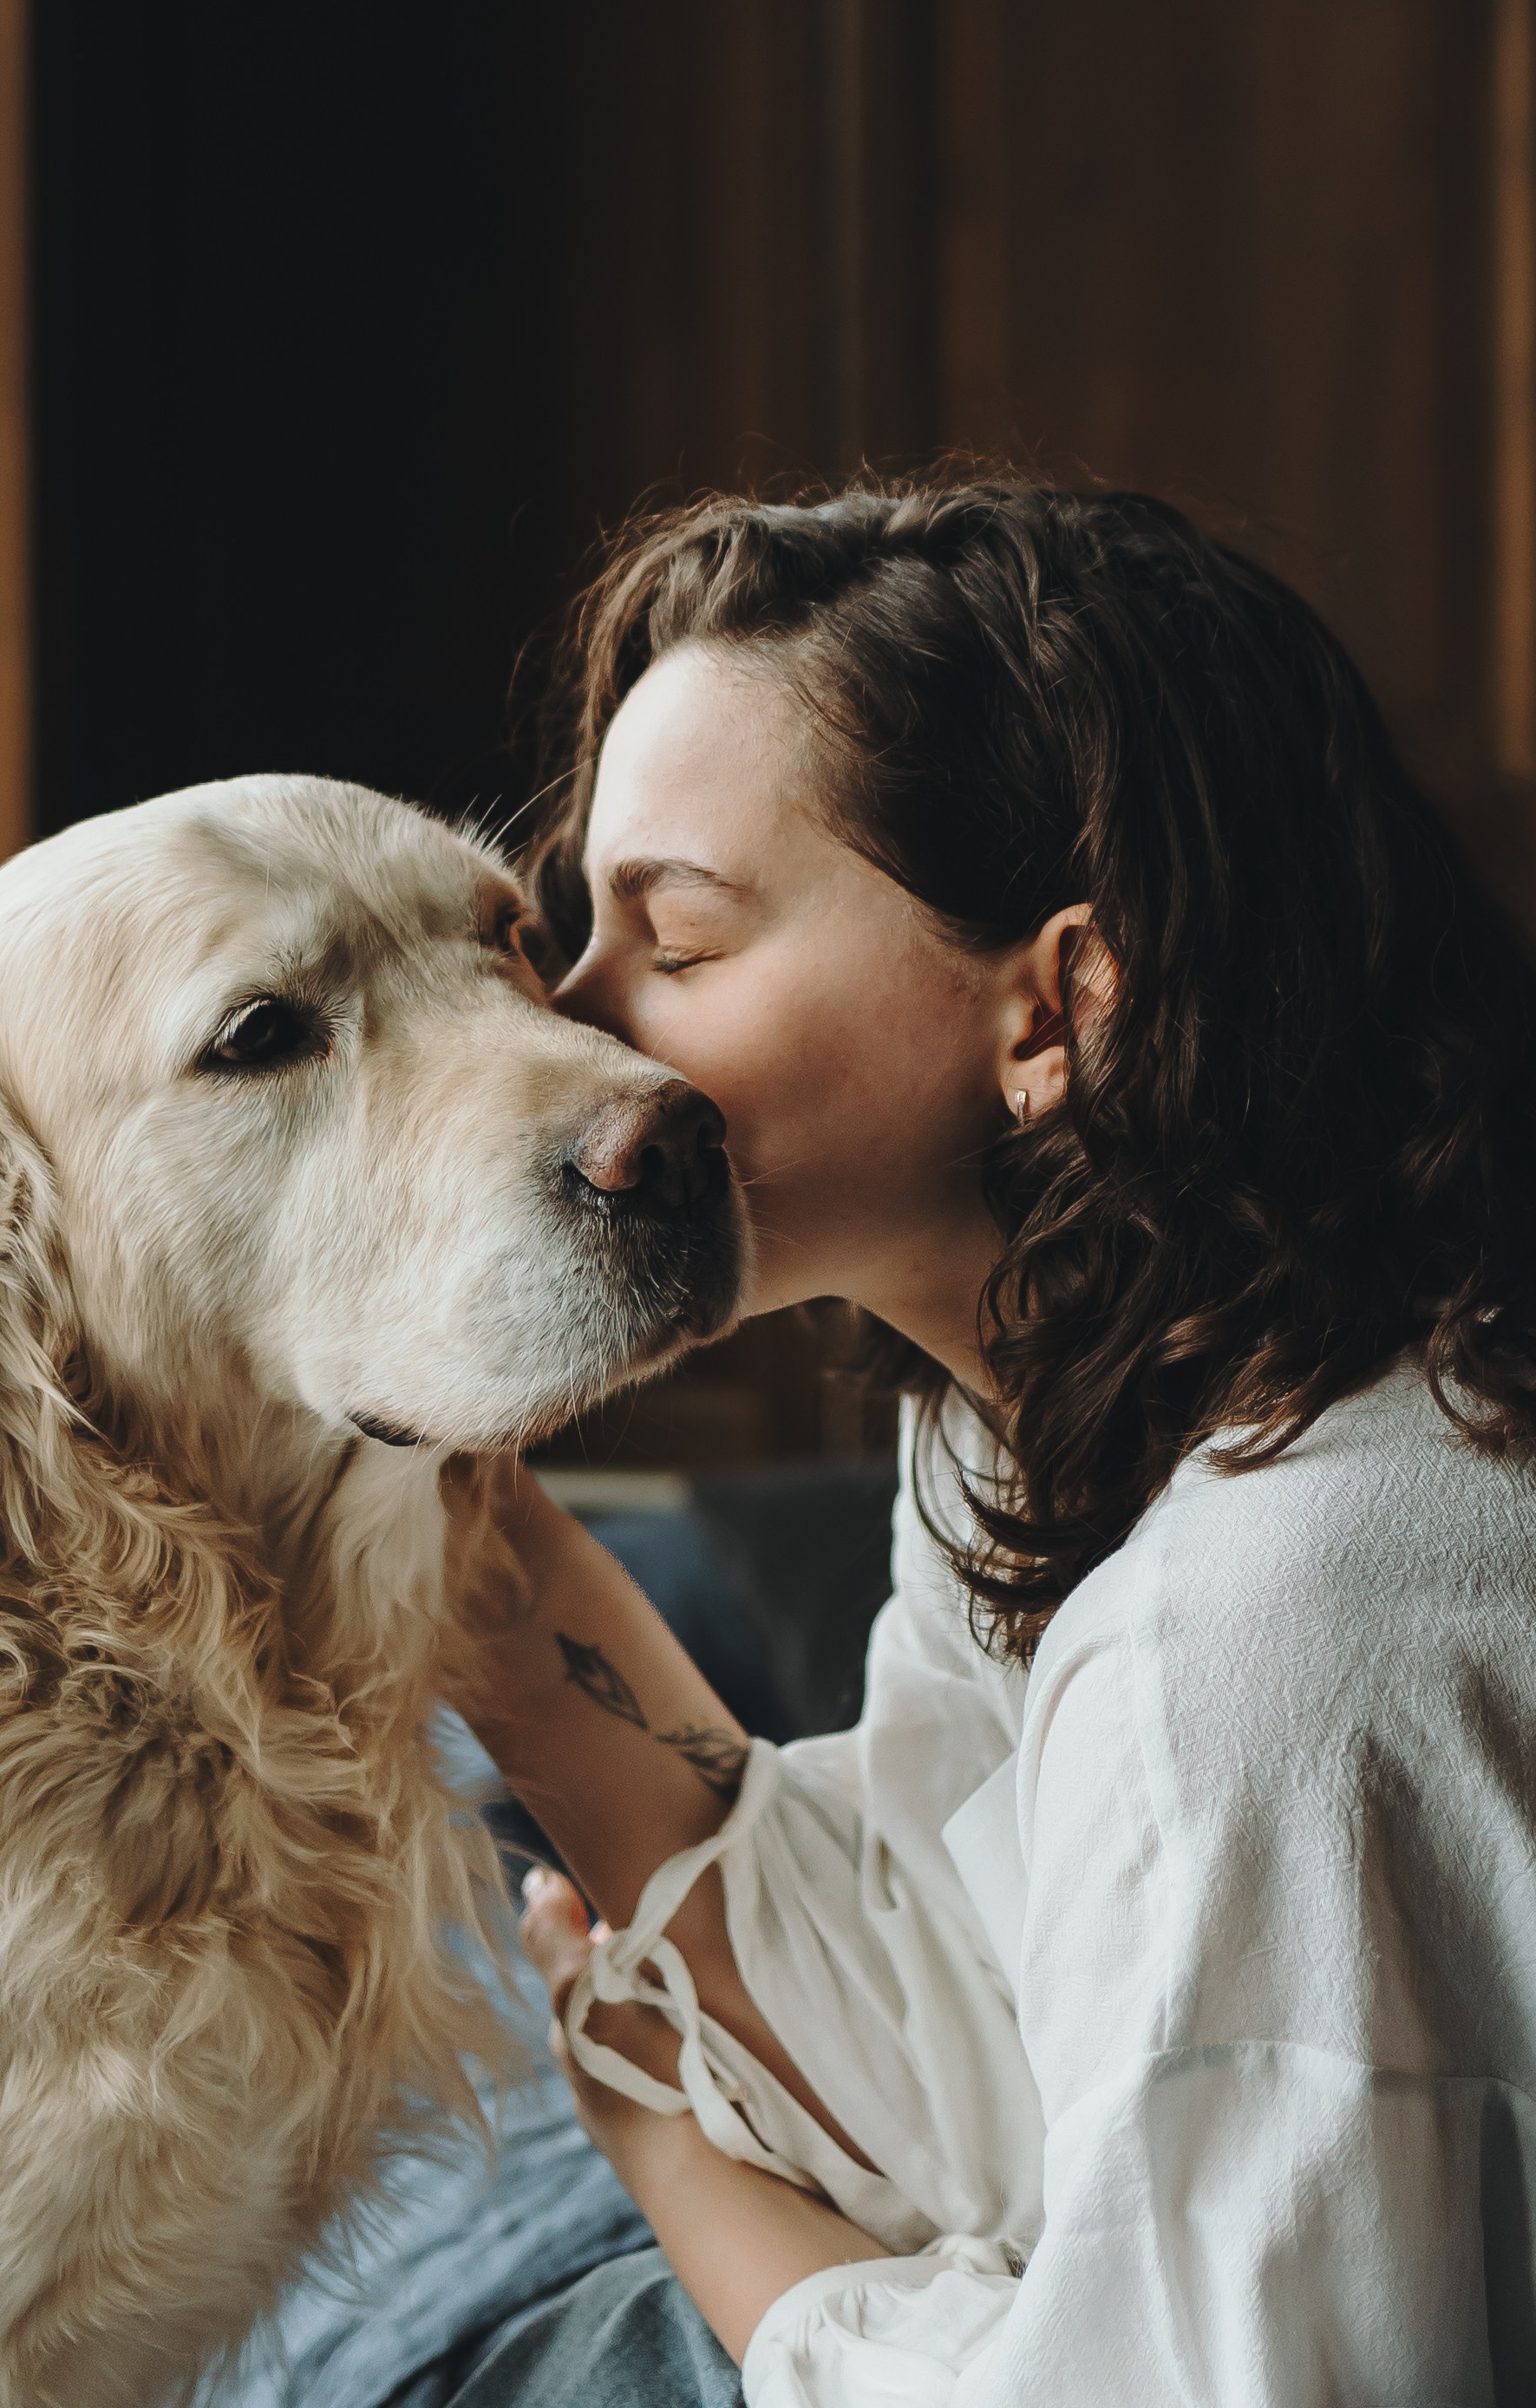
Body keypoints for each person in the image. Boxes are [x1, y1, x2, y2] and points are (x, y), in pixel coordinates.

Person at [222, 469, 1536, 2406]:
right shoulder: (1024, 1421)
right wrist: (453, 1496)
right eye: (574, 933)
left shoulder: (1264, 1637)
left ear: (1056, 1006)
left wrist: (693, 2185)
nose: (567, 1026)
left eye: (674, 942)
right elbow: (978, 2044)